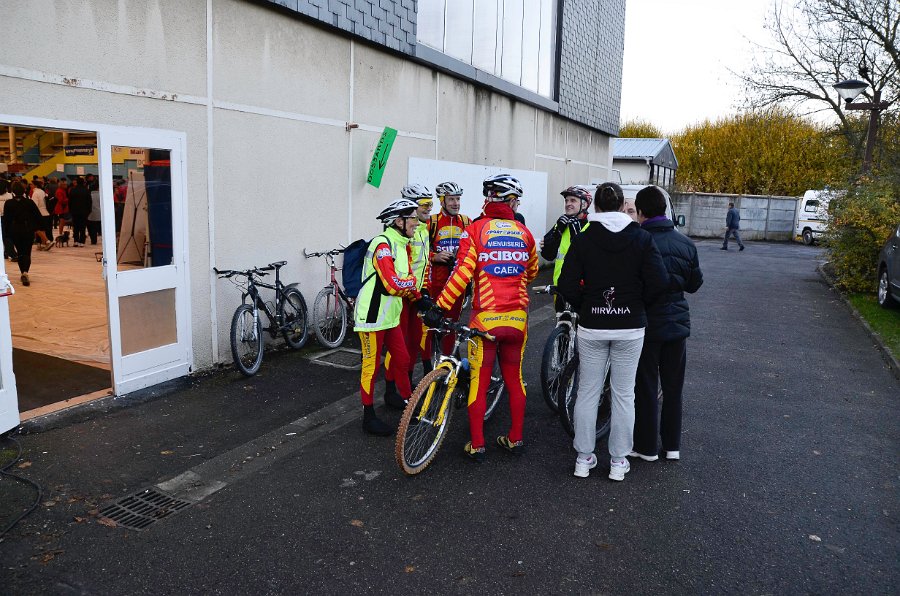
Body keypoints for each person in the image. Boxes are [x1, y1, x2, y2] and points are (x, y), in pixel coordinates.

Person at [558, 182, 668, 481]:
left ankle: (583, 458)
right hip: (630, 327)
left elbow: (567, 284)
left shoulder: (584, 238)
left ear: (595, 206)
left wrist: (586, 306)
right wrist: (637, 305)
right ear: (622, 207)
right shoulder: (642, 238)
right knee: (623, 395)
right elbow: (659, 282)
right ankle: (618, 461)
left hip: (592, 326)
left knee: (587, 392)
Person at [431, 173, 538, 461]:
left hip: (486, 320)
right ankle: (515, 439)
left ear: (489, 199)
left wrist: (439, 307)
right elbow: (531, 272)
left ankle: (477, 444)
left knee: (478, 381)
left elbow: (460, 275)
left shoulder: (475, 230)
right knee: (514, 378)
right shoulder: (524, 232)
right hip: (517, 319)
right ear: (511, 201)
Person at [630, 185, 703, 463]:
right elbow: (694, 284)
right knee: (673, 388)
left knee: (646, 387)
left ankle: (646, 447)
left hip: (647, 323)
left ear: (641, 212)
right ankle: (672, 446)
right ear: (664, 210)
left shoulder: (638, 241)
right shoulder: (686, 243)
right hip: (677, 324)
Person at [354, 198, 426, 436]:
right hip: (371, 318)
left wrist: (420, 298)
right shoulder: (382, 244)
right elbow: (392, 284)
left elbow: (404, 281)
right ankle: (368, 417)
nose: (417, 222)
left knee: (403, 360)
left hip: (390, 317)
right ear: (398, 221)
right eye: (412, 218)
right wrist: (411, 283)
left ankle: (406, 403)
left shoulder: (402, 245)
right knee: (371, 367)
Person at [383, 184, 432, 405]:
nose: (428, 208)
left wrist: (425, 289)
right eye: (424, 204)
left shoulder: (424, 229)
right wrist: (415, 295)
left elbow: (425, 264)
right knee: (398, 345)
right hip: (402, 297)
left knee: (413, 341)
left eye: (431, 203)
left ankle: (407, 383)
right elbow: (405, 269)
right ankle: (390, 389)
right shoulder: (404, 234)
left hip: (416, 295)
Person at [422, 181, 472, 357]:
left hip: (457, 283)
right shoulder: (432, 222)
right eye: (451, 199)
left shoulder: (466, 221)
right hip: (435, 282)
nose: (456, 203)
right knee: (432, 323)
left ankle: (449, 358)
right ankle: (428, 363)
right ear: (442, 201)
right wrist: (433, 256)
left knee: (452, 322)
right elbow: (416, 249)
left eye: (458, 199)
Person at [540, 185, 592, 308]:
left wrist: (577, 236)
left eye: (573, 200)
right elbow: (548, 255)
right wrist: (557, 232)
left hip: (583, 290)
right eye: (566, 200)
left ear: (584, 204)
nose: (568, 204)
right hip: (560, 289)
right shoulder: (562, 223)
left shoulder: (592, 226)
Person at [3, 181, 43, 286]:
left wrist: (6, 233)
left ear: (13, 191)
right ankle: (25, 272)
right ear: (24, 190)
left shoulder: (9, 203)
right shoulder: (29, 202)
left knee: (20, 252)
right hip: (27, 229)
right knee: (27, 252)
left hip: (15, 230)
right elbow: (38, 216)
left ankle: (22, 272)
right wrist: (37, 228)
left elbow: (7, 219)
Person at [28, 180, 52, 250]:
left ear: (35, 185)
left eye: (31, 184)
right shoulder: (42, 191)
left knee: (37, 229)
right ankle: (43, 244)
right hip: (46, 213)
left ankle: (47, 241)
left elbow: (34, 205)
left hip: (39, 213)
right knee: (42, 229)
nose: (30, 185)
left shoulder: (35, 193)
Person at [68, 177, 91, 247]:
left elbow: (70, 201)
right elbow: (89, 202)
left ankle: (76, 241)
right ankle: (82, 241)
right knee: (82, 226)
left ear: (77, 182)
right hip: (84, 211)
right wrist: (89, 211)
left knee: (75, 226)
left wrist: (70, 210)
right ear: (83, 182)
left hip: (74, 211)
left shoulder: (72, 190)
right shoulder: (86, 190)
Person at [0, 179, 16, 261]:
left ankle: (12, 254)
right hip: (10, 218)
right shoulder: (10, 195)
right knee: (9, 236)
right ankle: (7, 252)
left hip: (2, 218)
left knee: (5, 237)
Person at [87, 179, 102, 245]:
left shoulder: (89, 195)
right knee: (100, 228)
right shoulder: (101, 195)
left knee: (92, 229)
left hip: (91, 214)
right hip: (100, 214)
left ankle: (93, 240)